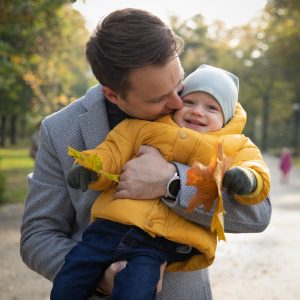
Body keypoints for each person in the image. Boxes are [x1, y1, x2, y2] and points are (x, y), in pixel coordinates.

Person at [20, 8, 272, 300]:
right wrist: (102, 278)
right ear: (113, 95)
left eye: (179, 84)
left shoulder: (208, 119)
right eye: (159, 98)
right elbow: (38, 236)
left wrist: (173, 183)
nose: (179, 102)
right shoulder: (59, 130)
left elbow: (257, 214)